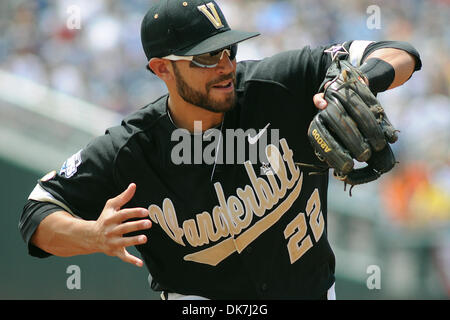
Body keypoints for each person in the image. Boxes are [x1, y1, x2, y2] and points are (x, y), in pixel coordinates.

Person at [19, 0, 421, 300]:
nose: (226, 65)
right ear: (162, 69)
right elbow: (36, 214)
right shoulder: (133, 148)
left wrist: (359, 81)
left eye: (229, 49)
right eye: (207, 56)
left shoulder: (280, 85)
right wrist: (92, 235)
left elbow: (398, 51)